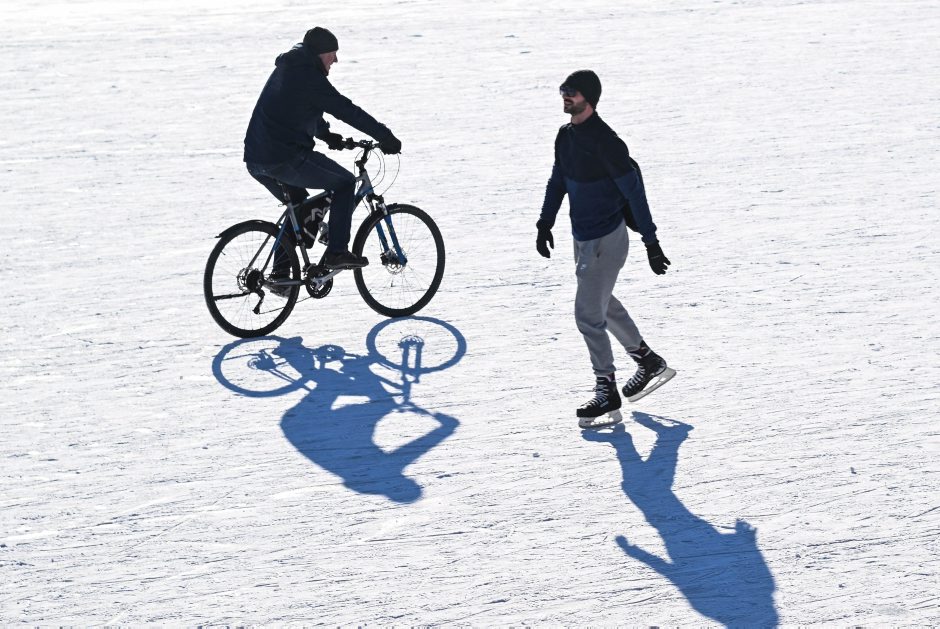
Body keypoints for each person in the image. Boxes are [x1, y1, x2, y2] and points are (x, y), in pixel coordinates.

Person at [536, 70, 674, 427]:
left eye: (572, 92)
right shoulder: (565, 137)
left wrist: (651, 242)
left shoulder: (607, 143)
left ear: (589, 99)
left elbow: (634, 194)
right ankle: (647, 360)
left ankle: (606, 388)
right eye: (563, 90)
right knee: (602, 302)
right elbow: (558, 181)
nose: (565, 96)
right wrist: (544, 223)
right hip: (582, 238)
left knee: (587, 315)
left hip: (607, 240)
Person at [244, 27, 402, 271]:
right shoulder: (309, 77)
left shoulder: (291, 69)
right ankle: (337, 252)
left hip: (256, 159)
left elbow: (300, 108)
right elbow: (346, 110)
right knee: (345, 183)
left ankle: (280, 277)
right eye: (332, 53)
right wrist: (385, 136)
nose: (335, 60)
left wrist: (327, 135)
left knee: (300, 208)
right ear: (319, 53)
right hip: (284, 157)